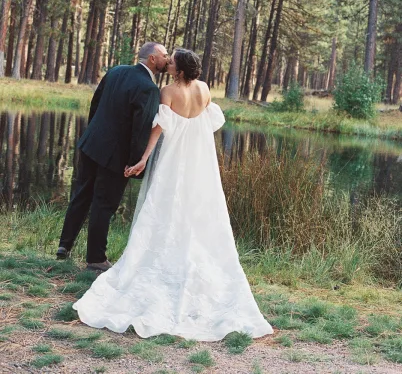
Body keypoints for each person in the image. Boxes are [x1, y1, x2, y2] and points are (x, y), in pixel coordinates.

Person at [73, 48, 273, 341]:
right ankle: (186, 257)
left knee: (164, 207)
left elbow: (158, 128)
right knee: (193, 209)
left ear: (179, 69)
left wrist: (142, 159)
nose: (168, 62)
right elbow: (212, 120)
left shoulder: (167, 91)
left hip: (172, 160)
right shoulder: (204, 89)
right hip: (198, 162)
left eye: (173, 61)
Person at [56, 42, 170, 272]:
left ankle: (64, 246)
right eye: (165, 55)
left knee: (81, 195)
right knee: (104, 204)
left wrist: (92, 133)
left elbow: (95, 104)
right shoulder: (148, 88)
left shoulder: (116, 71)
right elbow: (140, 129)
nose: (168, 58)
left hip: (91, 144)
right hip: (116, 155)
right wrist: (136, 161)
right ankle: (96, 259)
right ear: (152, 59)